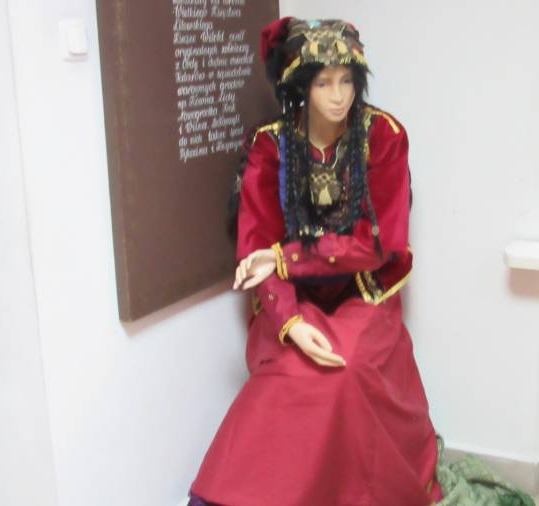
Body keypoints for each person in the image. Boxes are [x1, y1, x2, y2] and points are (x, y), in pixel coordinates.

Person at [188, 17, 443, 506]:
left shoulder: (383, 136)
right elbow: (255, 249)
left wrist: (285, 258)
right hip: (293, 300)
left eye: (347, 80)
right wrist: (291, 321)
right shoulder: (269, 145)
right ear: (300, 86)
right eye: (324, 82)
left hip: (365, 291)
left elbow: (378, 244)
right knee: (291, 368)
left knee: (347, 368)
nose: (339, 95)